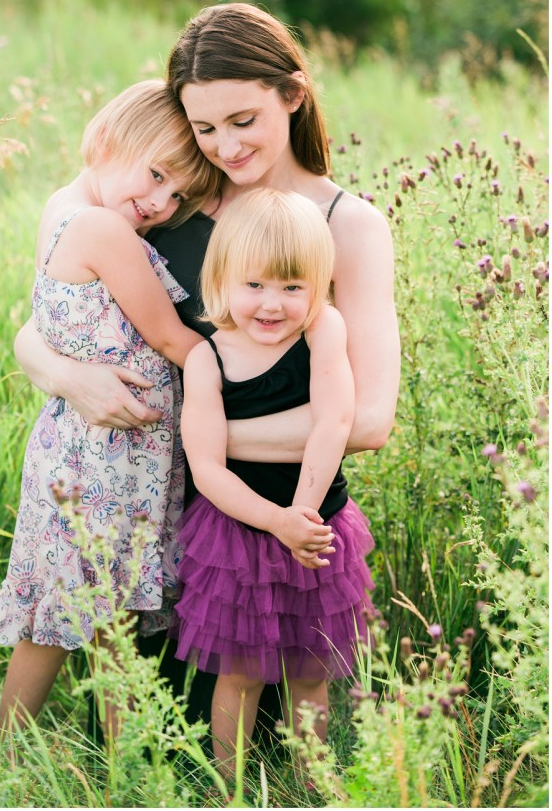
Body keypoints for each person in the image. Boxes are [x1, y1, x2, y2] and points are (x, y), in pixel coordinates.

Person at [13, 3, 400, 727]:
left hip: (264, 526)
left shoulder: (346, 224)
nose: (224, 146)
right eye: (203, 128)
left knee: (260, 737)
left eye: (243, 119)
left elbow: (370, 418)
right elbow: (41, 323)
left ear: (293, 93)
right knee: (142, 745)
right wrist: (68, 378)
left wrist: (202, 444)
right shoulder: (171, 202)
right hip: (147, 520)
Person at [0, 79, 221, 738]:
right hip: (104, 460)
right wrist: (223, 373)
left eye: (177, 196)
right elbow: (172, 339)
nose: (159, 204)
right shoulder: (100, 228)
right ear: (105, 140)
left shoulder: (62, 204)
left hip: (92, 447)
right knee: (78, 615)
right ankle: (13, 766)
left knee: (97, 612)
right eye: (154, 177)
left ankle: (108, 771)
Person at [172, 188, 375, 776]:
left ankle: (310, 780)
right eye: (255, 284)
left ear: (318, 285)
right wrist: (275, 521)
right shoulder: (208, 359)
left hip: (318, 526)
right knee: (239, 673)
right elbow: (205, 465)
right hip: (239, 533)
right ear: (223, 279)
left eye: (292, 287)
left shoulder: (321, 331)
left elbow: (335, 418)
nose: (272, 304)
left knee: (311, 669)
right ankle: (231, 786)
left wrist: (303, 517)